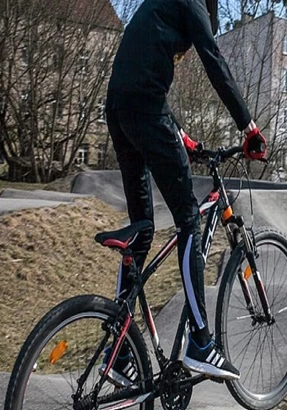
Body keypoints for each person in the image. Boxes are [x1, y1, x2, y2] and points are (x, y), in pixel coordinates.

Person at [102, 0, 266, 384]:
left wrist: (181, 136)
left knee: (142, 229)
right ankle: (201, 342)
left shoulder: (158, 7)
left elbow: (143, 78)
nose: (182, 55)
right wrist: (249, 127)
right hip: (144, 110)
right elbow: (215, 60)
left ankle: (118, 349)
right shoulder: (192, 4)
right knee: (189, 220)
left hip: (118, 110)